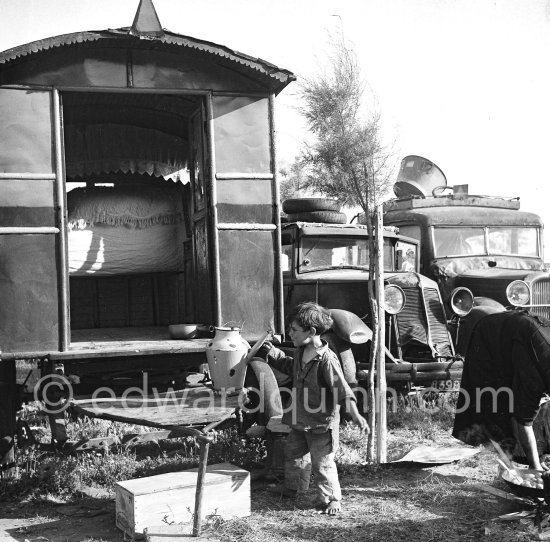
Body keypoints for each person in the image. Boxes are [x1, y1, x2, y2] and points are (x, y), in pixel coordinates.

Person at [257, 301, 369, 515]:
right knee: (293, 454)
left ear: (312, 331)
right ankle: (293, 487)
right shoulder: (300, 352)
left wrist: (354, 414)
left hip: (320, 423)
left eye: (294, 329)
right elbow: (291, 367)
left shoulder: (327, 360)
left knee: (322, 464)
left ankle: (331, 499)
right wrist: (273, 353)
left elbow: (342, 389)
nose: (290, 333)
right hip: (300, 418)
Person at [452, 309, 550, 470]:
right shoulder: (534, 376)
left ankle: (528, 457)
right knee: (498, 403)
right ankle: (507, 462)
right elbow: (523, 421)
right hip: (490, 337)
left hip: (522, 336)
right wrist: (535, 467)